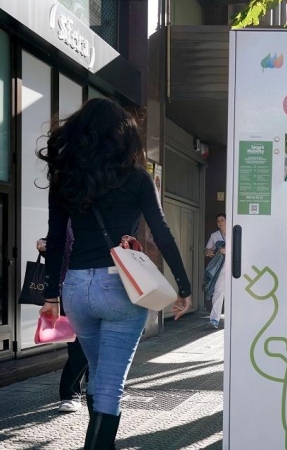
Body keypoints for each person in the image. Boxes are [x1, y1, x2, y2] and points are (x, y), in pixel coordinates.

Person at [37, 98, 191, 449]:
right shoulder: (137, 179)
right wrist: (183, 287)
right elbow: (162, 233)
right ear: (124, 136)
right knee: (108, 383)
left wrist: (50, 297)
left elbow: (57, 239)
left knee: (97, 376)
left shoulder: (65, 178)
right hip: (120, 288)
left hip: (76, 290)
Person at [36, 227, 90, 413]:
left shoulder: (108, 216)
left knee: (99, 342)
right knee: (79, 346)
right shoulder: (66, 221)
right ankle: (70, 393)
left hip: (103, 289)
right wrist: (44, 245)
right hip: (69, 290)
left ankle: (96, 383)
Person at [204, 213, 226, 329]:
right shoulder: (215, 235)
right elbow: (207, 249)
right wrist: (208, 252)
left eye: (222, 220)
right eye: (218, 221)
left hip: (236, 269)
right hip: (220, 269)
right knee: (218, 292)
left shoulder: (235, 232)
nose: (220, 223)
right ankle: (214, 320)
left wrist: (228, 251)